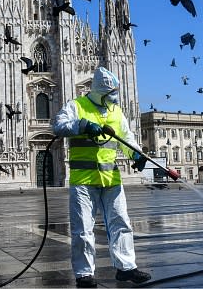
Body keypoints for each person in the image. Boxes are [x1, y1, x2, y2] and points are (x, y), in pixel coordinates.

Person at [53, 67, 151, 288]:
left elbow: (127, 138)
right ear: (100, 91)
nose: (115, 96)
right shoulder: (77, 106)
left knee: (121, 223)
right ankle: (84, 273)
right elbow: (58, 126)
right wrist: (83, 125)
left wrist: (136, 153)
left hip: (111, 178)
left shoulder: (116, 111)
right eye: (111, 92)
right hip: (83, 180)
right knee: (83, 228)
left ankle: (126, 268)